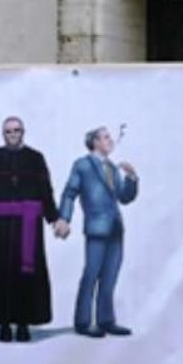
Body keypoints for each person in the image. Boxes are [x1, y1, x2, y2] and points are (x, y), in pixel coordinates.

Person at [0, 116, 68, 342]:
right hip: (0, 228)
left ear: (23, 132)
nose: (13, 134)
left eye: (16, 130)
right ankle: (3, 324)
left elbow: (46, 192)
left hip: (28, 226)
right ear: (3, 134)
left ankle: (23, 324)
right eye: (8, 131)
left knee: (26, 275)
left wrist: (55, 219)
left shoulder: (36, 158)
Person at [57, 126, 139, 337]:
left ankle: (106, 320)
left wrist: (131, 178)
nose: (110, 141)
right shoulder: (83, 165)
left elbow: (124, 197)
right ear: (94, 142)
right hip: (96, 228)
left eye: (110, 137)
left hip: (116, 229)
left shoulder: (112, 167)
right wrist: (64, 218)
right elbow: (69, 193)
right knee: (91, 274)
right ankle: (83, 322)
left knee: (110, 276)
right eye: (105, 137)